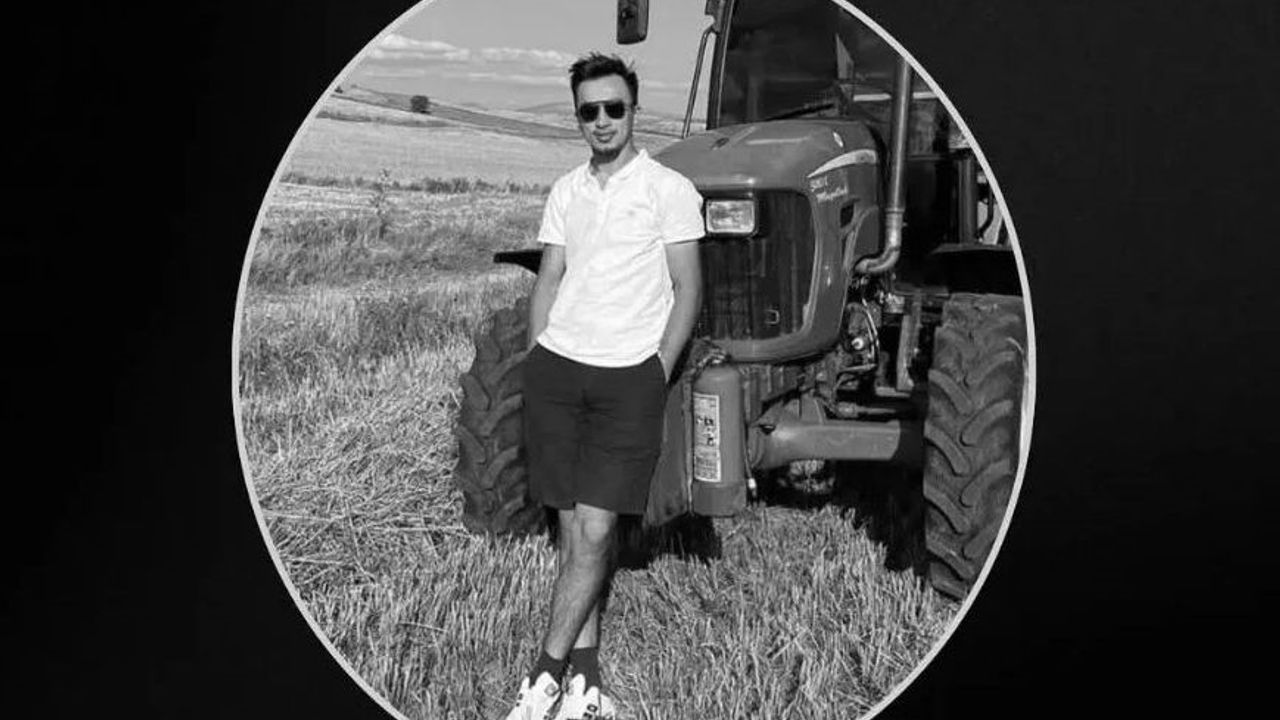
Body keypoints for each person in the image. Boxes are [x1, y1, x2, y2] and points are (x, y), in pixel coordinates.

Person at [502, 52, 705, 720]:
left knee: (594, 533)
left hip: (628, 378)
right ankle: (585, 685)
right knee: (572, 532)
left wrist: (657, 370)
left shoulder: (668, 189)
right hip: (559, 371)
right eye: (589, 110)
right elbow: (550, 277)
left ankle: (543, 677)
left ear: (633, 110)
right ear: (578, 117)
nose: (602, 120)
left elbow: (688, 288)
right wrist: (537, 354)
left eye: (614, 107)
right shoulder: (566, 190)